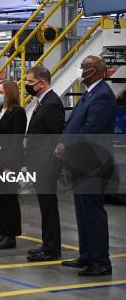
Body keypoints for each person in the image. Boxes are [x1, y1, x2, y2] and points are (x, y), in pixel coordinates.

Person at [55, 55, 117, 277]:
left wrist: (67, 147)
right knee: (82, 211)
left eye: (83, 68)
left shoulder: (103, 97)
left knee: (93, 212)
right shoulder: (90, 93)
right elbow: (75, 123)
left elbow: (91, 130)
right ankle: (87, 255)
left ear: (94, 71)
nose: (80, 71)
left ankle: (101, 261)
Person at [24, 66, 65, 262]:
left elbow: (51, 139)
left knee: (48, 207)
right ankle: (47, 244)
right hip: (38, 164)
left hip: (46, 166)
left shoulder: (52, 104)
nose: (27, 85)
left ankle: (52, 249)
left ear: (42, 83)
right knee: (44, 206)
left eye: (30, 82)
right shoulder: (42, 102)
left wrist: (43, 166)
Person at [0, 81, 26, 250]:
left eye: (1, 91)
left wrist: (9, 165)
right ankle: (2, 233)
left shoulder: (18, 112)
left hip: (9, 163)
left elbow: (16, 141)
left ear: (10, 93)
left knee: (9, 199)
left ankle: (11, 236)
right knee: (0, 199)